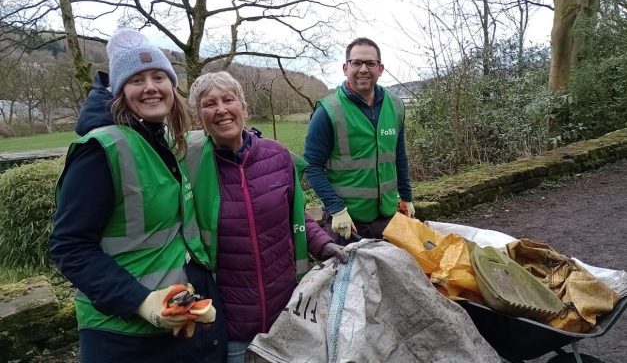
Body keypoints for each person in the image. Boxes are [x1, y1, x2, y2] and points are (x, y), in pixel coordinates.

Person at [49, 29, 226, 362]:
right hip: (123, 336)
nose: (150, 87)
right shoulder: (102, 150)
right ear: (118, 92)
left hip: (174, 321)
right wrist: (139, 301)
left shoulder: (159, 141)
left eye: (159, 76)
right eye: (136, 80)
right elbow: (69, 247)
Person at [186, 71, 347, 363]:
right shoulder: (191, 168)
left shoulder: (277, 156)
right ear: (199, 117)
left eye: (228, 99)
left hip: (286, 311)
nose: (221, 109)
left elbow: (296, 217)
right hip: (231, 321)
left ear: (243, 107)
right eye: (209, 104)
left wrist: (324, 245)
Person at [303, 37, 414, 244]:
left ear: (380, 69)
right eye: (357, 63)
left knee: (390, 275)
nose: (363, 69)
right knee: (349, 277)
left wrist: (406, 197)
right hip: (347, 222)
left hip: (387, 218)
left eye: (370, 63)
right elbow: (311, 166)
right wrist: (336, 208)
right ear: (346, 68)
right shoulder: (329, 111)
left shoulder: (396, 106)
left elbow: (399, 156)